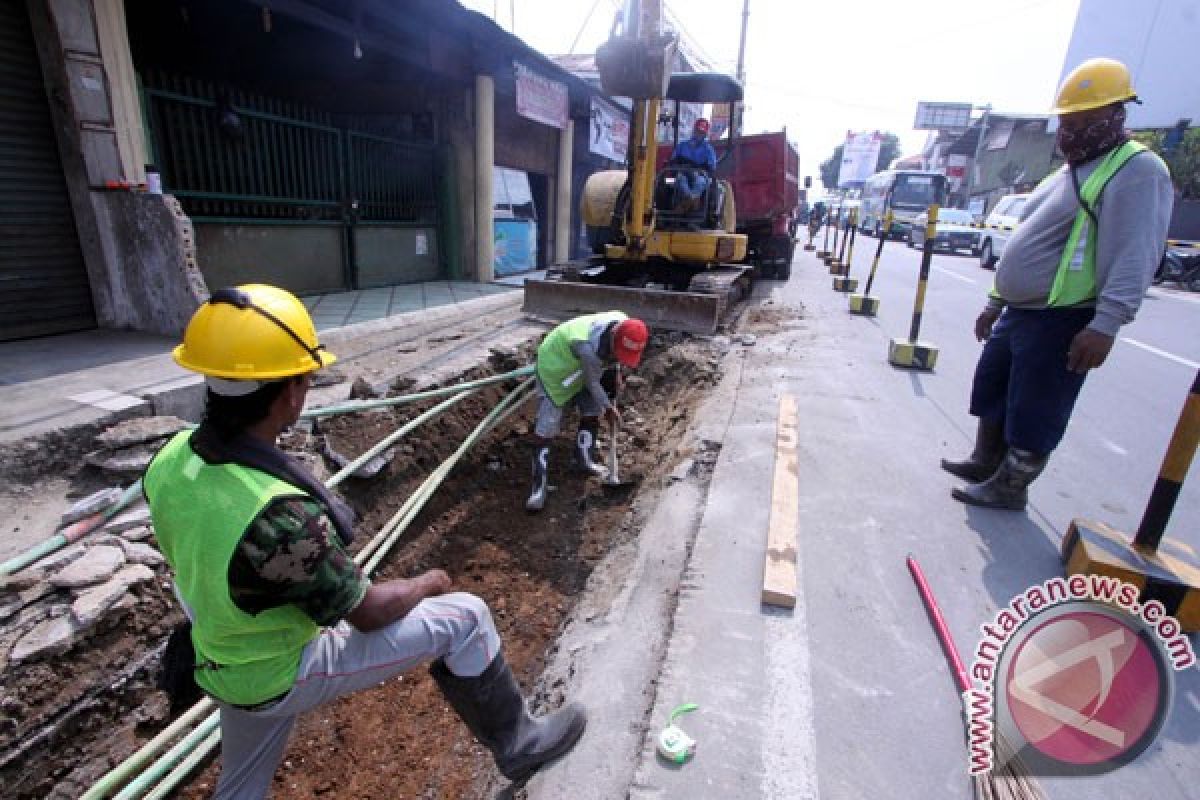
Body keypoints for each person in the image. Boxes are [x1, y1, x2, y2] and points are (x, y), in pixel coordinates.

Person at [145, 284, 586, 799]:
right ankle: (520, 741)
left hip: (219, 658)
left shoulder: (172, 460)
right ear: (291, 392)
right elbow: (368, 611)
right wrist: (427, 582)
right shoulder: (276, 515)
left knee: (241, 786)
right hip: (279, 668)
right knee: (466, 616)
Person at [942, 58, 1173, 511]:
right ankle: (985, 461)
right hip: (1020, 309)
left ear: (1114, 117)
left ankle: (1010, 488)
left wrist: (1105, 324)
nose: (1071, 131)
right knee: (995, 385)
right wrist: (995, 301)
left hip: (1063, 313)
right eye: (1068, 121)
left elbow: (1136, 252)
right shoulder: (1068, 171)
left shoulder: (1137, 171)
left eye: (1084, 121)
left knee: (1036, 405)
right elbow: (1025, 242)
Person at [526, 311, 649, 512]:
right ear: (613, 337)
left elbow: (611, 359)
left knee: (591, 408)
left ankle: (583, 461)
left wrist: (616, 373)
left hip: (583, 368)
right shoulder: (588, 349)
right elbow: (592, 382)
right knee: (548, 424)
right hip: (556, 367)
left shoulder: (623, 323)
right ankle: (538, 487)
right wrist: (608, 407)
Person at [670, 117, 718, 211]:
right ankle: (691, 200)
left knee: (701, 182)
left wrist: (698, 169)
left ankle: (685, 205)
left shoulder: (708, 149)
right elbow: (672, 162)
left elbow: (711, 168)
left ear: (705, 134)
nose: (699, 134)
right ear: (694, 130)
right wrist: (680, 165)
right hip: (681, 174)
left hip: (700, 176)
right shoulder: (682, 145)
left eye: (702, 132)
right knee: (669, 181)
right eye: (698, 131)